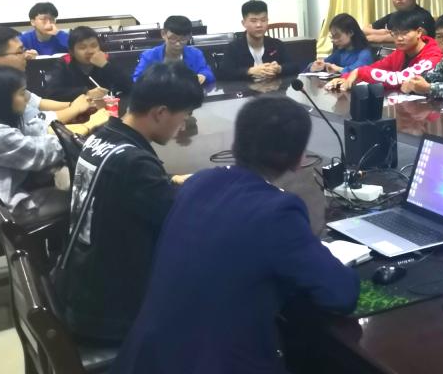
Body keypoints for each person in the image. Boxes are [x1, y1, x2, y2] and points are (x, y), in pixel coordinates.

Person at [111, 95, 360, 373]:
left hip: (146, 360)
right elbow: (341, 294)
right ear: (299, 159)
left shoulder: (197, 184)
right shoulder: (277, 211)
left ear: (236, 144)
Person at [57, 62, 204, 344]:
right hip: (109, 314)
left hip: (79, 285)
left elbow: (125, 184)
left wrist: (169, 181)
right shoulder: (135, 164)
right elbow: (182, 221)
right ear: (160, 113)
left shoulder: (102, 136)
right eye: (184, 116)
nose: (183, 125)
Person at [0, 66, 67, 230]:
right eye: (22, 93)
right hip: (1, 213)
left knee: (50, 177)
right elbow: (39, 154)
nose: (26, 98)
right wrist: (73, 136)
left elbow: (29, 131)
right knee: (78, 200)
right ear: (1, 98)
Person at [0, 26, 93, 129]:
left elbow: (38, 103)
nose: (26, 56)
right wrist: (75, 109)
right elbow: (39, 124)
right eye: (20, 52)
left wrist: (75, 105)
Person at [327, 9, 442, 92]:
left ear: (419, 32)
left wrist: (359, 72)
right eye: (395, 33)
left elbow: (399, 78)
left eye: (405, 33)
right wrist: (344, 78)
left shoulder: (434, 55)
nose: (399, 38)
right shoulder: (400, 52)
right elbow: (376, 67)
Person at [219, 0, 304, 82]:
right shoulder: (233, 48)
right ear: (243, 23)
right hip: (246, 91)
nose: (259, 25)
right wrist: (249, 71)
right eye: (253, 21)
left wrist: (279, 69)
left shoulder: (277, 44)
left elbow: (294, 67)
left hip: (274, 90)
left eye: (263, 20)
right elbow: (223, 74)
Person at [47, 26, 133, 103]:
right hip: (75, 110)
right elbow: (51, 94)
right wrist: (85, 92)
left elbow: (130, 87)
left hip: (105, 109)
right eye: (82, 47)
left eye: (94, 46)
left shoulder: (106, 60)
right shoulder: (64, 63)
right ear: (72, 52)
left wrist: (106, 65)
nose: (90, 51)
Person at [132, 15, 214, 85]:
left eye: (183, 39)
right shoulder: (149, 55)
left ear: (189, 36)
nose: (178, 44)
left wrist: (203, 75)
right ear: (163, 34)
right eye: (173, 38)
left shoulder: (196, 54)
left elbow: (207, 72)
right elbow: (136, 78)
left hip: (187, 95)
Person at [365, 0, 435, 45]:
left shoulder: (423, 16)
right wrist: (380, 32)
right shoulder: (393, 16)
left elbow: (419, 35)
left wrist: (375, 38)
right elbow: (365, 29)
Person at [309, 13, 374, 75]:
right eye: (332, 36)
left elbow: (357, 72)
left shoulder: (365, 53)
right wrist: (315, 66)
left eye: (337, 36)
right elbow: (325, 62)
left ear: (350, 33)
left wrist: (338, 69)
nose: (334, 40)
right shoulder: (341, 52)